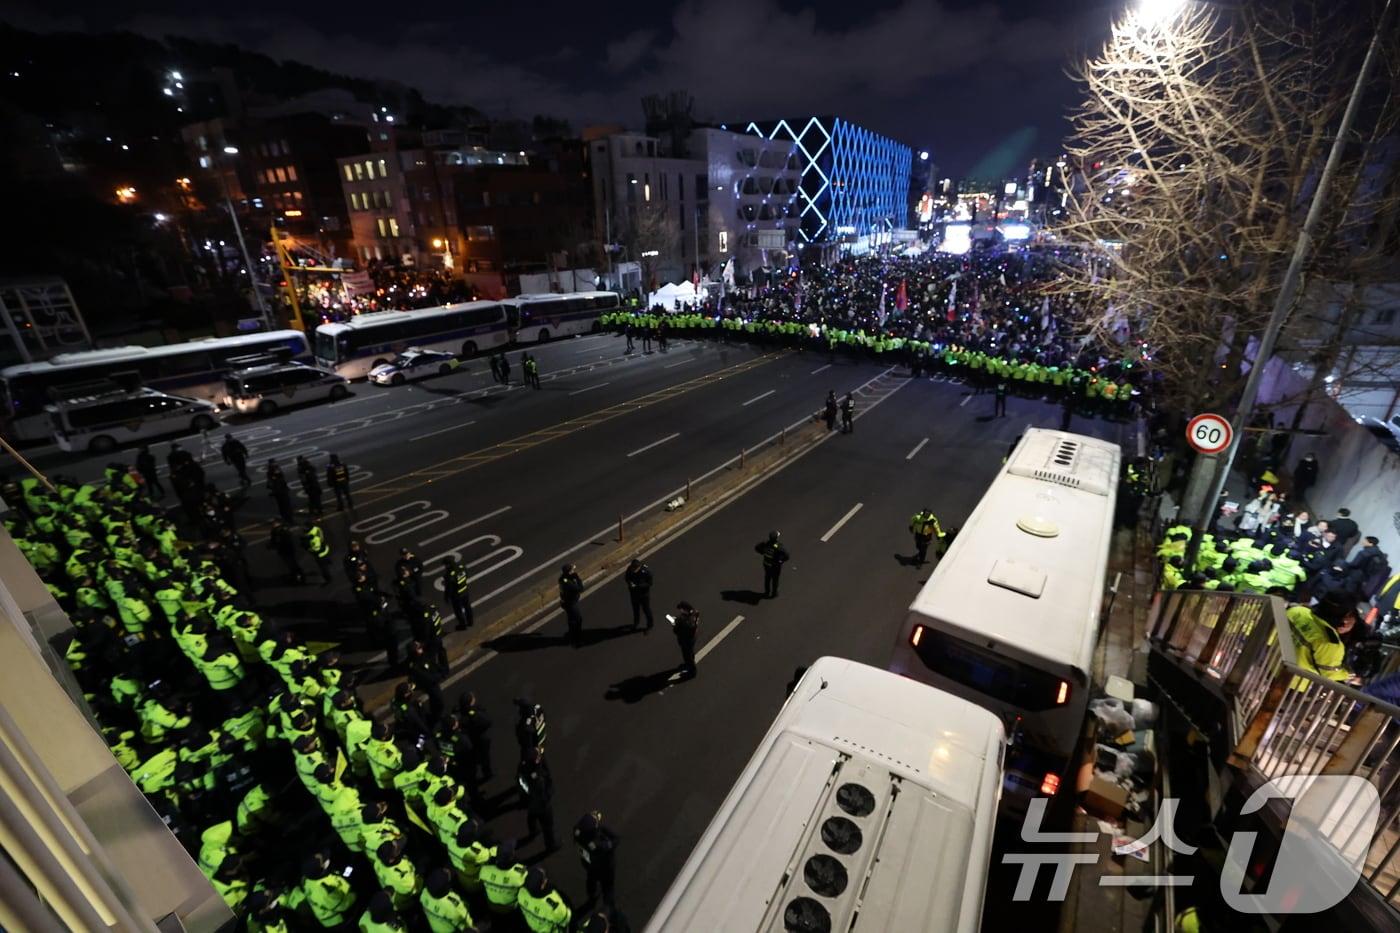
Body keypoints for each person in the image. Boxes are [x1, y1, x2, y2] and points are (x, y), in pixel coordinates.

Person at [574, 811, 618, 910]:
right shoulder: (597, 844)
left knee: (590, 879)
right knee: (608, 887)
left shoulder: (577, 832)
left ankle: (591, 895)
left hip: (588, 864)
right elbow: (615, 840)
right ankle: (609, 908)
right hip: (604, 869)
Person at [517, 748, 557, 852]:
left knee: (531, 817)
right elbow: (543, 789)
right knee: (548, 826)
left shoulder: (523, 766)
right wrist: (548, 796)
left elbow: (520, 782)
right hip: (541, 804)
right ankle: (551, 846)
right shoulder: (536, 775)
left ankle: (533, 831)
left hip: (530, 802)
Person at [419, 866, 473, 933]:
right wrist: (472, 927)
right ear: (446, 888)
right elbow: (465, 919)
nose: (447, 871)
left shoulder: (423, 894)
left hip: (435, 927)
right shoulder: (453, 905)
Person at [518, 866, 571, 933]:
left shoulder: (521, 894)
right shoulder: (553, 905)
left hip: (533, 927)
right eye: (544, 878)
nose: (546, 879)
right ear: (542, 886)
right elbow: (566, 919)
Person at [268, 519, 304, 584]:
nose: (273, 525)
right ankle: (298, 576)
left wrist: (272, 545)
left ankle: (298, 578)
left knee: (291, 564)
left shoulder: (278, 532)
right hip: (289, 549)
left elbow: (276, 541)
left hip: (285, 550)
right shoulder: (284, 529)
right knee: (293, 564)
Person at [442, 556, 474, 630]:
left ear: (448, 565)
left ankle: (463, 625)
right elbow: (466, 575)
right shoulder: (461, 567)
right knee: (467, 607)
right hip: (465, 592)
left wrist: (447, 597)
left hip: (457, 596)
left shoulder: (450, 574)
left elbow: (449, 588)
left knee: (458, 611)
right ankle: (470, 622)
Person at [755, 531, 790, 598]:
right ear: (776, 538)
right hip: (775, 566)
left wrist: (762, 552)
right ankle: (774, 593)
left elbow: (757, 547)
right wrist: (781, 561)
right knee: (775, 580)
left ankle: (767, 592)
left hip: (766, 564)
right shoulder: (778, 546)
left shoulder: (766, 543)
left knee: (767, 578)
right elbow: (787, 555)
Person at [671, 601, 700, 678]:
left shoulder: (685, 621)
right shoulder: (693, 614)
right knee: (690, 652)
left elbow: (677, 631)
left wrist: (674, 624)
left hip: (686, 640)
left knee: (687, 655)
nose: (680, 611)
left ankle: (692, 671)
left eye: (681, 609)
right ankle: (690, 663)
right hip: (692, 638)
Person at [624, 559, 654, 631]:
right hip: (634, 594)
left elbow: (649, 583)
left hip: (643, 595)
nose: (633, 570)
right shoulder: (629, 569)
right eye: (632, 568)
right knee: (635, 610)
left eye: (635, 568)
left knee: (646, 610)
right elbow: (627, 577)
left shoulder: (646, 572)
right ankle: (636, 623)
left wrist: (638, 586)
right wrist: (629, 583)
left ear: (639, 567)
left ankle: (650, 625)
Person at [559, 563, 584, 644]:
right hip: (571, 603)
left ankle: (572, 635)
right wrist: (578, 579)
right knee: (577, 619)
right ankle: (576, 637)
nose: (573, 571)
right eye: (572, 570)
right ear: (569, 572)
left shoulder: (562, 579)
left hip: (566, 602)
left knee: (571, 619)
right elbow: (580, 589)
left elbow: (565, 580)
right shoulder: (568, 583)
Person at [303, 520, 333, 584]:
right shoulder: (316, 529)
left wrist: (308, 548)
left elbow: (314, 548)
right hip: (324, 548)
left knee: (323, 567)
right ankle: (328, 561)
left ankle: (328, 579)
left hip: (319, 554)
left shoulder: (312, 538)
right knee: (325, 559)